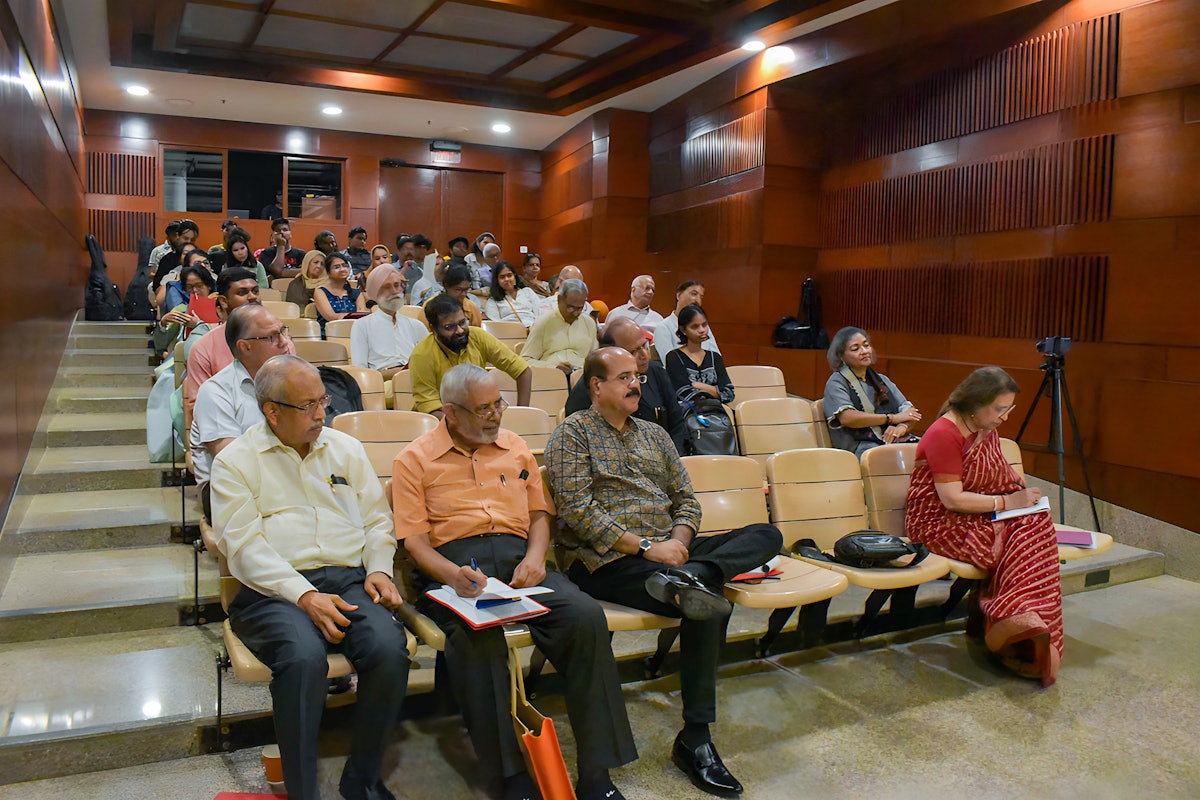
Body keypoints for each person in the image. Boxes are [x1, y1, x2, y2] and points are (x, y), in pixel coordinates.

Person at [545, 347, 783, 798]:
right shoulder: (571, 435)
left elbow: (686, 501)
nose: (636, 384)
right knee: (707, 607)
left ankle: (693, 576)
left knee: (766, 535)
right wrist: (649, 548)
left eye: (636, 376)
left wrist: (678, 544)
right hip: (608, 559)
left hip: (672, 553)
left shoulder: (654, 434)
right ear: (596, 386)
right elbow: (579, 513)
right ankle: (696, 738)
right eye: (623, 378)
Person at [392, 365, 637, 800]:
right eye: (483, 408)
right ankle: (510, 776)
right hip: (452, 567)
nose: (496, 415)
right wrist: (453, 576)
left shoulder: (516, 446)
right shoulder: (413, 460)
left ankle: (597, 771)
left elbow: (541, 513)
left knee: (585, 619)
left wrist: (536, 557)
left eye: (498, 403)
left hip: (519, 558)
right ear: (450, 412)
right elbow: (415, 543)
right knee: (478, 641)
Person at [210, 355, 409, 800]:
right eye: (308, 406)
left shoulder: (345, 449)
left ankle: (363, 779)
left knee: (389, 649)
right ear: (272, 411)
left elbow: (378, 521)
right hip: (273, 591)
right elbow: (243, 549)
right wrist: (304, 596)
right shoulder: (236, 462)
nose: (322, 413)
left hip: (348, 578)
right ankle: (303, 793)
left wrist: (378, 568)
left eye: (323, 401)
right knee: (302, 660)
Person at [904, 366, 1061, 687]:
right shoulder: (943, 433)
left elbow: (1000, 478)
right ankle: (1011, 621)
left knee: (1036, 526)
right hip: (938, 522)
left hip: (975, 514)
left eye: (1009, 410)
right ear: (975, 404)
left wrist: (1022, 495)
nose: (1005, 418)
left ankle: (1024, 622)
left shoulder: (985, 432)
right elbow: (951, 499)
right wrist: (1008, 504)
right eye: (1000, 409)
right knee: (1022, 538)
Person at [191, 304, 290, 520]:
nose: (285, 342)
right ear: (245, 347)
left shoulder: (293, 381)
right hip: (232, 488)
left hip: (287, 476)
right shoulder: (216, 391)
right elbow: (233, 460)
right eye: (273, 336)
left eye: (283, 331)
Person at [184, 268, 297, 426]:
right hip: (228, 429)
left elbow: (295, 391)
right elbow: (198, 407)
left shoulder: (282, 343)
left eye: (255, 291)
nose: (252, 297)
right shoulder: (203, 348)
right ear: (223, 301)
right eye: (242, 293)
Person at [564, 317, 687, 454]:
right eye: (634, 351)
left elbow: (677, 424)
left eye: (644, 346)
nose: (644, 355)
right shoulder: (588, 390)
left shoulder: (656, 372)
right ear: (611, 352)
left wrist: (676, 459)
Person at [408, 294, 531, 416]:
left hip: (479, 417)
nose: (460, 330)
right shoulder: (421, 355)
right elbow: (430, 407)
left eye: (462, 322)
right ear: (433, 329)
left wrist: (522, 414)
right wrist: (466, 428)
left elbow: (523, 371)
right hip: (440, 423)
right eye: (449, 327)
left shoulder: (478, 337)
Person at [822, 326, 922, 457]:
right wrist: (891, 419)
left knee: (928, 449)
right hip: (860, 447)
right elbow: (848, 417)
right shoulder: (836, 382)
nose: (864, 351)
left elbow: (909, 411)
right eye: (855, 348)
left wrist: (900, 428)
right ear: (841, 356)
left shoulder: (881, 379)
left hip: (889, 441)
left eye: (866, 345)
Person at [350, 265, 427, 373]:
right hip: (382, 384)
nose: (394, 291)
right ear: (375, 293)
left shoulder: (416, 326)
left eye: (396, 285)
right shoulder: (362, 326)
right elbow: (361, 371)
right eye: (387, 287)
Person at [521, 278, 597, 375]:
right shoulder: (543, 323)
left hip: (582, 377)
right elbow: (526, 360)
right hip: (552, 377)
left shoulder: (589, 324)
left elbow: (595, 360)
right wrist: (553, 368)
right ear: (559, 300)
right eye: (570, 307)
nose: (575, 313)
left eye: (580, 308)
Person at [664, 305, 735, 404]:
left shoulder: (715, 357)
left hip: (717, 412)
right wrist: (715, 391)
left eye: (704, 325)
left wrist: (697, 385)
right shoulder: (674, 357)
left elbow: (729, 394)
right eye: (695, 326)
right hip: (688, 413)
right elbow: (682, 393)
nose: (702, 330)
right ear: (683, 330)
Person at [654, 280, 720, 358]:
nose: (698, 301)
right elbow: (669, 363)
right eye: (694, 294)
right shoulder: (663, 327)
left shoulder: (703, 326)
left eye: (701, 297)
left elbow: (716, 358)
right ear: (678, 295)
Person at [314, 251, 366, 336]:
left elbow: (361, 316)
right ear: (328, 272)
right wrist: (350, 317)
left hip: (354, 334)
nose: (342, 269)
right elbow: (330, 316)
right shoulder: (320, 291)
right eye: (337, 267)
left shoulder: (356, 293)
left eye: (344, 265)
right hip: (329, 335)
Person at [483, 261, 540, 328]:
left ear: (514, 276)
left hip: (533, 329)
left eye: (509, 275)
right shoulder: (493, 300)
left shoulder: (527, 292)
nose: (506, 279)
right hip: (509, 331)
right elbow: (495, 324)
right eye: (502, 277)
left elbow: (539, 313)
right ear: (497, 280)